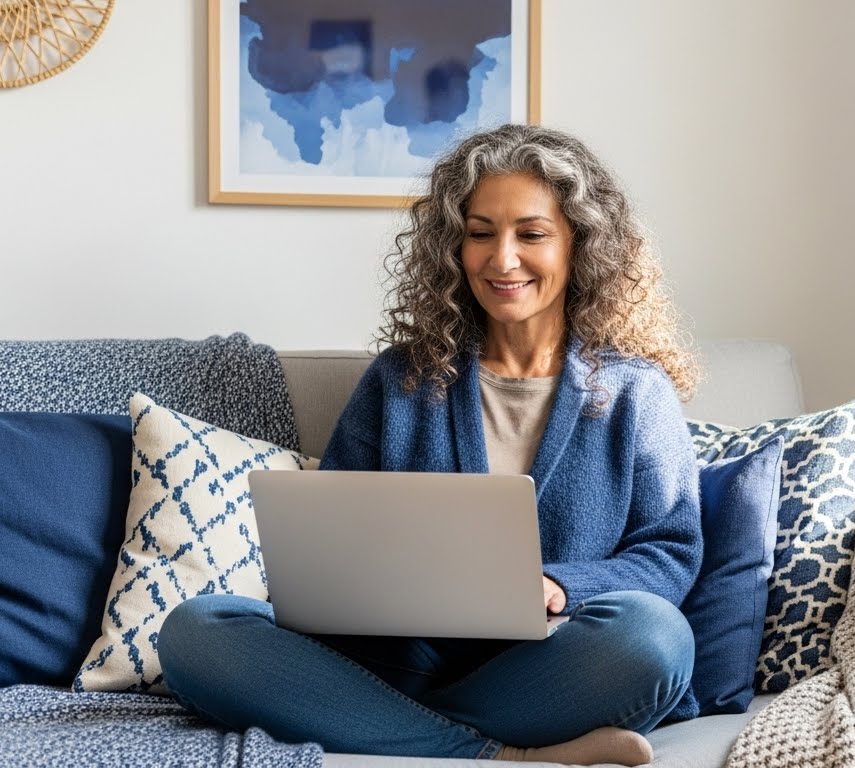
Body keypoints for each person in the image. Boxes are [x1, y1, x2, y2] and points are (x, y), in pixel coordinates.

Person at [158, 124, 704, 766]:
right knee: (196, 632)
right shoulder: (401, 378)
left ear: (578, 245)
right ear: (454, 246)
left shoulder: (636, 393)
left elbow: (670, 550)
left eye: (531, 234)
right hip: (400, 658)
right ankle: (498, 754)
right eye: (480, 233)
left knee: (655, 638)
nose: (503, 259)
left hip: (549, 664)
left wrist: (557, 584)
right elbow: (331, 529)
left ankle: (376, 726)